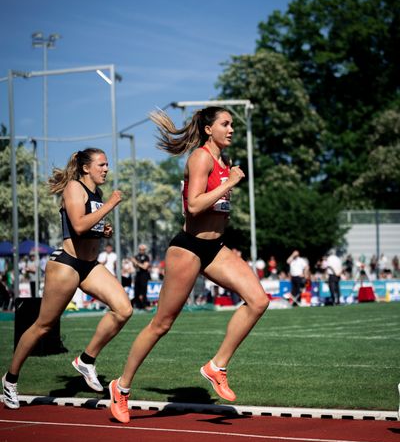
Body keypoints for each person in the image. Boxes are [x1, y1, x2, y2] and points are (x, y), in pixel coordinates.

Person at [108, 106, 269, 423]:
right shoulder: (201, 158)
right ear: (209, 129)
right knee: (161, 324)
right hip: (189, 248)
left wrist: (227, 183)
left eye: (232, 124)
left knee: (258, 300)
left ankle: (216, 366)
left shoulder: (223, 162)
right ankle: (121, 388)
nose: (231, 129)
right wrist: (229, 184)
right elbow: (194, 206)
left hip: (215, 247)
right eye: (225, 124)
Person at [2, 148, 133, 410]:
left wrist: (103, 231)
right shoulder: (74, 188)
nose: (106, 169)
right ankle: (10, 380)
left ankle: (86, 360)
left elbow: (90, 226)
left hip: (90, 265)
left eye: (107, 165)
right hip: (67, 265)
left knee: (123, 309)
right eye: (101, 165)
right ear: (86, 168)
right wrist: (109, 206)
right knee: (44, 325)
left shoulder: (97, 192)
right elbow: (79, 225)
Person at [132, 244, 151, 309]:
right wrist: (134, 263)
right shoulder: (137, 256)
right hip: (138, 275)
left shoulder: (146, 257)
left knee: (143, 291)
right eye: (140, 249)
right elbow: (135, 266)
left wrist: (136, 263)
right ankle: (138, 305)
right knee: (136, 290)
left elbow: (145, 267)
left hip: (144, 275)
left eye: (143, 249)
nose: (141, 251)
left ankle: (145, 305)